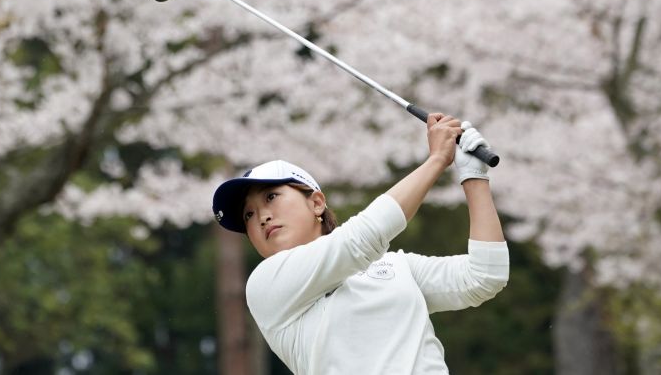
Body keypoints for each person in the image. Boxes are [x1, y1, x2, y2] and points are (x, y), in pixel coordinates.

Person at [211, 113, 509, 374]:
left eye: (271, 197)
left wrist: (473, 177)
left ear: (316, 203)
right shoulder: (267, 283)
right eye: (248, 214)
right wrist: (436, 161)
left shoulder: (396, 265)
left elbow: (483, 276)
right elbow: (361, 239)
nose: (261, 216)